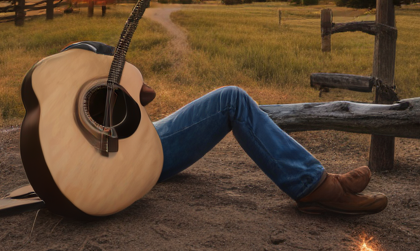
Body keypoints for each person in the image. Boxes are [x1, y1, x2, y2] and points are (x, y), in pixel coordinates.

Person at [140, 83, 387, 216]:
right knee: (231, 99)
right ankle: (314, 187)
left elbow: (144, 92)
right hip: (129, 151)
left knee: (232, 98)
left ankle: (318, 182)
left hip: (138, 132)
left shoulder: (99, 53)